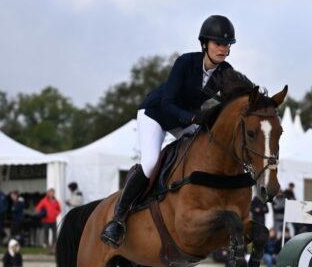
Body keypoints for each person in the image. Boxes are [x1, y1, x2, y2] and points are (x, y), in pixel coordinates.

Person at [101, 14, 236, 247]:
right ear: (205, 44)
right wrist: (192, 117)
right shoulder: (185, 62)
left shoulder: (226, 72)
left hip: (183, 119)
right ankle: (118, 218)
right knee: (151, 162)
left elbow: (232, 100)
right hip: (155, 114)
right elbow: (168, 103)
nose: (223, 49)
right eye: (218, 44)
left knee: (205, 149)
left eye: (227, 45)